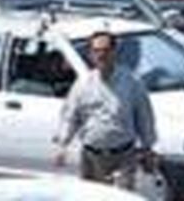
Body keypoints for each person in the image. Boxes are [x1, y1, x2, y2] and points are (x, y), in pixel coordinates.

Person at [54, 31, 157, 189]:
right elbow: (71, 116)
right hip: (91, 157)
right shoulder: (83, 84)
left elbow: (144, 116)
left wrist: (148, 148)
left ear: (114, 52)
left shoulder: (131, 82)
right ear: (90, 55)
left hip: (123, 156)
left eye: (106, 50)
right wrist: (62, 145)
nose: (101, 55)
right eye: (96, 51)